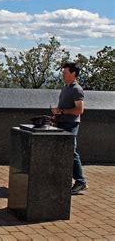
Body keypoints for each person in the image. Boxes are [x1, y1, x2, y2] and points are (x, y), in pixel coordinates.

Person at [51, 62, 87, 195]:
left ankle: (81, 182)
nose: (63, 75)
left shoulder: (76, 89)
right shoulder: (65, 87)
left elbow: (79, 110)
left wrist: (62, 112)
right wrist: (56, 113)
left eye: (65, 73)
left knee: (71, 152)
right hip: (61, 123)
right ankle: (62, 179)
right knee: (62, 152)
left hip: (70, 125)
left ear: (73, 74)